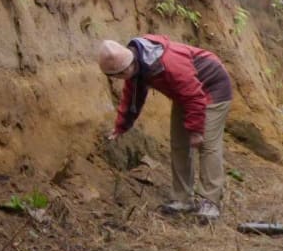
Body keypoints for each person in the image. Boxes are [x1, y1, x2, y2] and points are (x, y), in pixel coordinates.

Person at [98, 35, 233, 220]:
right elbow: (132, 98)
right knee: (179, 144)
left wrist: (195, 131)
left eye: (121, 74)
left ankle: (210, 201)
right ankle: (183, 199)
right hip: (185, 94)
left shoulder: (167, 63)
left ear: (130, 63)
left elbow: (194, 96)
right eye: (115, 75)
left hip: (212, 88)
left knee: (207, 145)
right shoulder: (137, 65)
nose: (119, 78)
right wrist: (121, 126)